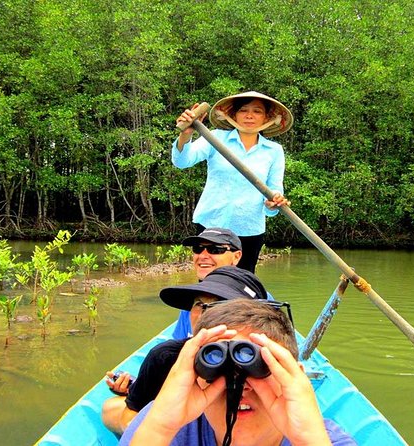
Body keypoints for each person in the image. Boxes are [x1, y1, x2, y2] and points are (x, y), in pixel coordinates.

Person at [118, 299, 356, 446]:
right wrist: (159, 429)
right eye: (218, 366)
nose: (239, 384)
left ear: (297, 380)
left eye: (262, 365)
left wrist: (307, 442)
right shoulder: (165, 423)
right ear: (195, 376)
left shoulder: (325, 440)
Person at [101, 266, 269, 435]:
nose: (205, 313)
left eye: (221, 305)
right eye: (199, 304)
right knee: (110, 409)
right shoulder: (166, 356)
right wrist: (147, 432)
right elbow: (131, 412)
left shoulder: (270, 360)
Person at [173, 91, 293, 273]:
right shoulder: (216, 138)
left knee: (243, 283)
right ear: (234, 114)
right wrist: (185, 135)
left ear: (267, 117)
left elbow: (273, 197)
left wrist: (273, 203)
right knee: (210, 282)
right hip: (211, 223)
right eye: (243, 110)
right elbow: (182, 161)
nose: (249, 115)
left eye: (257, 111)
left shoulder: (274, 151)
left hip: (249, 229)